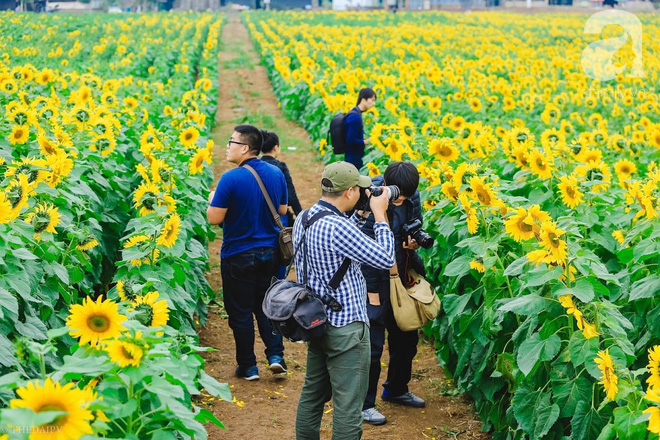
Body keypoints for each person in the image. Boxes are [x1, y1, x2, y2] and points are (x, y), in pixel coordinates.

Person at [294, 161, 395, 440]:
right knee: (349, 406)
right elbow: (386, 258)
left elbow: (338, 240)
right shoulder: (338, 227)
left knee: (312, 395)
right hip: (347, 328)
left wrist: (361, 215)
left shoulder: (304, 218)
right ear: (350, 191)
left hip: (316, 321)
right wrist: (380, 215)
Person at [206, 124, 288, 381]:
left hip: (238, 254)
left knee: (240, 312)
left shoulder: (230, 178)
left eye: (231, 142)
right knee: (267, 306)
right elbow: (283, 209)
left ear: (244, 148)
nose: (227, 146)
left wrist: (212, 200)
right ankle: (276, 356)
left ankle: (249, 366)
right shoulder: (276, 173)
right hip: (271, 253)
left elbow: (214, 218)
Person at [360, 161, 427, 425]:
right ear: (389, 186)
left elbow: (416, 222)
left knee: (406, 337)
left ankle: (396, 389)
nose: (405, 200)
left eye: (409, 196)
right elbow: (361, 248)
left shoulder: (411, 195)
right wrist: (371, 291)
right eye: (401, 196)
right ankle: (364, 405)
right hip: (374, 277)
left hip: (401, 273)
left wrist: (411, 243)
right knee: (372, 346)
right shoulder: (369, 198)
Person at [260, 130, 303, 227]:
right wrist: (300, 216)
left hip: (259, 214)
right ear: (276, 148)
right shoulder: (280, 167)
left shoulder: (255, 167)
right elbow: (290, 195)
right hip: (278, 214)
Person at [344, 88, 377, 171]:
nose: (374, 103)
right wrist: (366, 142)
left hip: (353, 155)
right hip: (353, 157)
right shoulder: (355, 117)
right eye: (372, 100)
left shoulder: (355, 113)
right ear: (363, 99)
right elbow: (350, 140)